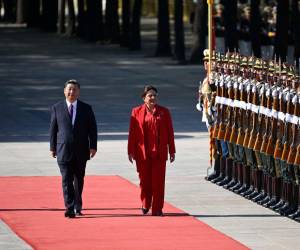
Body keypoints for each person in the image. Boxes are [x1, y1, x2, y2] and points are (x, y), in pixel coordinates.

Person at [50, 79, 97, 218]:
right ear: (64, 91)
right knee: (66, 179)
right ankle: (69, 207)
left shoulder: (86, 108)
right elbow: (53, 129)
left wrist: (93, 146)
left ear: (79, 92)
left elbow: (92, 129)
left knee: (79, 179)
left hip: (81, 150)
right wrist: (52, 147)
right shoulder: (57, 107)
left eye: (75, 89)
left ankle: (78, 205)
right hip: (63, 150)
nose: (72, 92)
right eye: (69, 89)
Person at [127, 85, 175, 216]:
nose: (153, 98)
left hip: (159, 153)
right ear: (144, 98)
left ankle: (157, 208)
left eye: (155, 95)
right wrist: (130, 150)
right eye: (150, 95)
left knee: (158, 182)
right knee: (144, 182)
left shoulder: (164, 112)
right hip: (142, 153)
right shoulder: (136, 111)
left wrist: (172, 150)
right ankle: (146, 203)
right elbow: (132, 133)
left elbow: (170, 132)